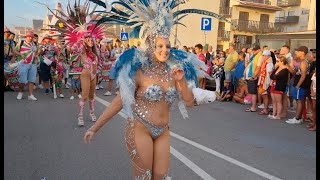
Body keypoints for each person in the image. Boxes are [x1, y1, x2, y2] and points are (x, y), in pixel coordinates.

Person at [84, 0, 231, 178]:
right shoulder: (139, 71)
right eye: (160, 46)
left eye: (167, 46)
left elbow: (189, 103)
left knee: (160, 176)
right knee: (144, 176)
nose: (165, 50)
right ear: (151, 47)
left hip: (163, 130)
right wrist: (95, 127)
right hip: (140, 127)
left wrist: (181, 80)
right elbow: (119, 102)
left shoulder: (174, 70)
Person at [286, 46, 311, 124]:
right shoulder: (300, 61)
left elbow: (303, 75)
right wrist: (288, 65)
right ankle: (298, 117)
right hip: (297, 83)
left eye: (298, 51)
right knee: (298, 100)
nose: (296, 52)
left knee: (299, 101)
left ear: (303, 52)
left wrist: (298, 85)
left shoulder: (304, 62)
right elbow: (294, 72)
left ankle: (297, 118)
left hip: (301, 85)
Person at [14, 31, 38, 100]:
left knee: (32, 80)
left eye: (31, 37)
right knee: (22, 80)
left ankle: (30, 95)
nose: (30, 38)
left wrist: (36, 57)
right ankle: (20, 92)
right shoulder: (21, 42)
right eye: (29, 36)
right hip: (23, 64)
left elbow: (35, 53)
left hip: (32, 64)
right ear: (26, 36)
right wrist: (20, 54)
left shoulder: (35, 44)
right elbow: (15, 50)